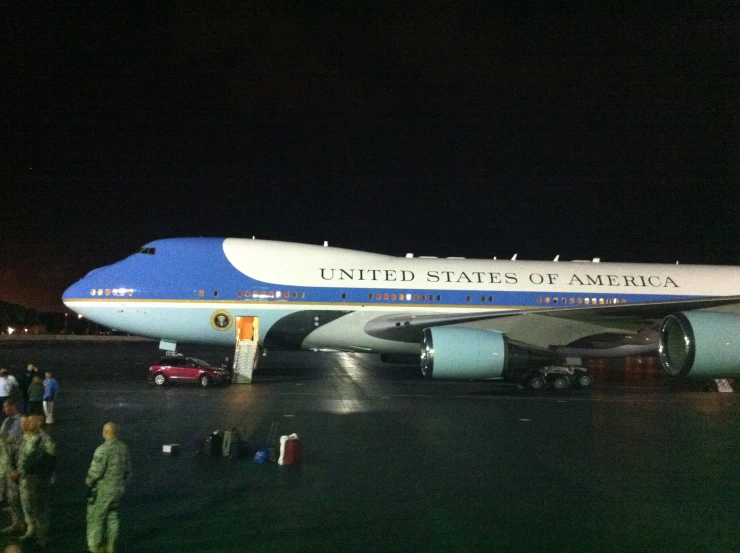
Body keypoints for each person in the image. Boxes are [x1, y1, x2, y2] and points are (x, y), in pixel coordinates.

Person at [86, 422, 132, 553]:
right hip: (118, 490)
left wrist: (89, 482)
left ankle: (94, 548)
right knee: (113, 516)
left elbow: (96, 471)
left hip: (103, 490)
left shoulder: (102, 450)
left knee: (95, 518)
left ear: (105, 432)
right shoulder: (124, 448)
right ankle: (111, 545)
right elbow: (129, 470)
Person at [12, 414, 55, 548]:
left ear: (38, 424)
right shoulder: (28, 437)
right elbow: (20, 455)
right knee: (32, 507)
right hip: (28, 479)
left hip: (39, 480)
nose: (28, 424)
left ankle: (42, 539)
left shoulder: (43, 440)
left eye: (31, 422)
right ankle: (35, 533)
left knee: (40, 510)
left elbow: (50, 459)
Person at [0, 401, 24, 535]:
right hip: (5, 460)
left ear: (14, 407)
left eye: (6, 406)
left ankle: (20, 522)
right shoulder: (7, 421)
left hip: (13, 460)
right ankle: (16, 519)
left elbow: (10, 439)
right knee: (9, 492)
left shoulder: (19, 421)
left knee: (15, 493)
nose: (4, 409)